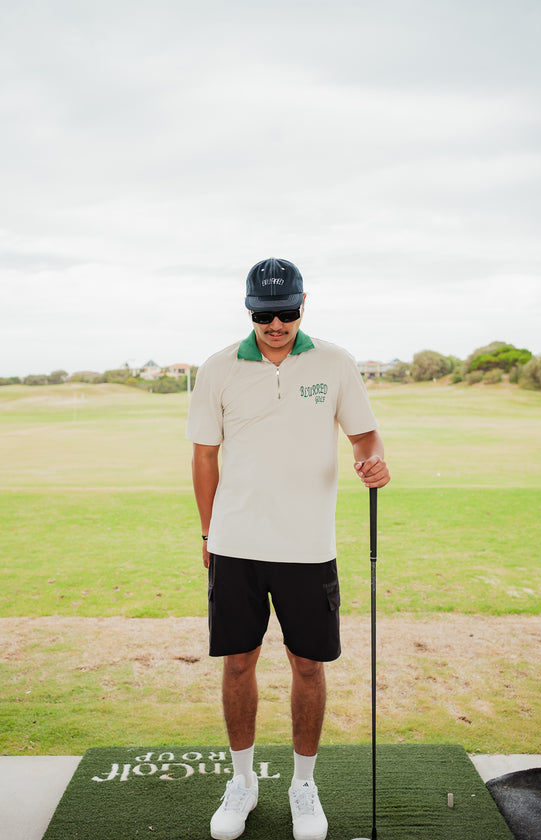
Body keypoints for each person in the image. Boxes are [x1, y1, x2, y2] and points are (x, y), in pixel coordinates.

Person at [186, 257, 390, 840]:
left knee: (307, 664)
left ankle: (303, 784)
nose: (276, 325)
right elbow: (204, 456)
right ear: (249, 310)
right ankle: (243, 782)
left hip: (308, 545)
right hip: (237, 542)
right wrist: (208, 534)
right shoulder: (218, 368)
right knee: (239, 661)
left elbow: (363, 434)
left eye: (287, 312)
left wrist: (370, 462)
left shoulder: (335, 362)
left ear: (304, 304)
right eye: (264, 314)